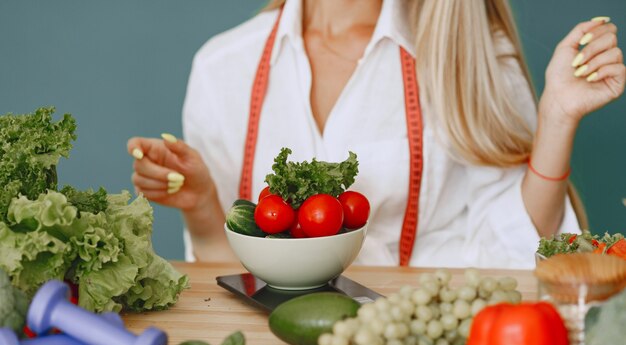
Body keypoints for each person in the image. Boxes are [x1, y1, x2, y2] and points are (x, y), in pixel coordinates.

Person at [127, 0, 625, 269]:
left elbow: (515, 247)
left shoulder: (469, 56)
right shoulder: (223, 66)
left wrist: (557, 116)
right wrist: (204, 206)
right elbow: (230, 271)